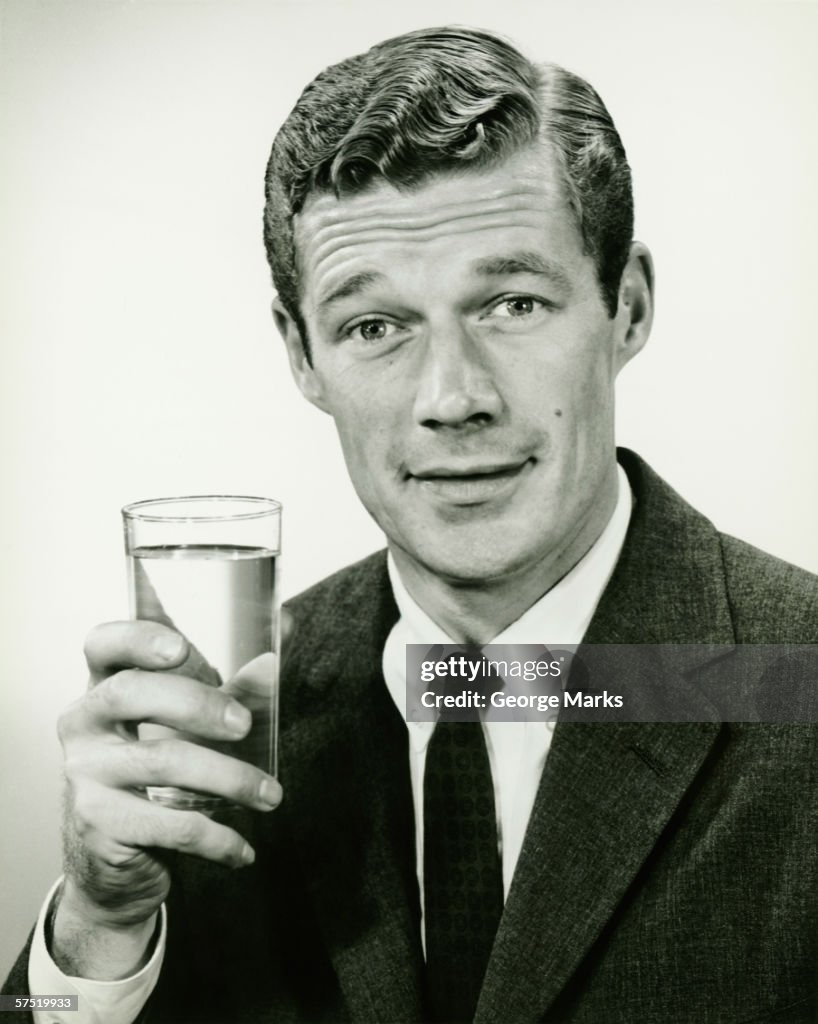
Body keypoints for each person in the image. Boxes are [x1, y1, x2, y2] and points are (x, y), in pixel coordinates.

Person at [4, 25, 817, 1024]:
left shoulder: (801, 673)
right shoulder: (217, 728)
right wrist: (99, 925)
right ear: (300, 353)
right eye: (373, 326)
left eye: (512, 301)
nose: (449, 396)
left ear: (628, 307)